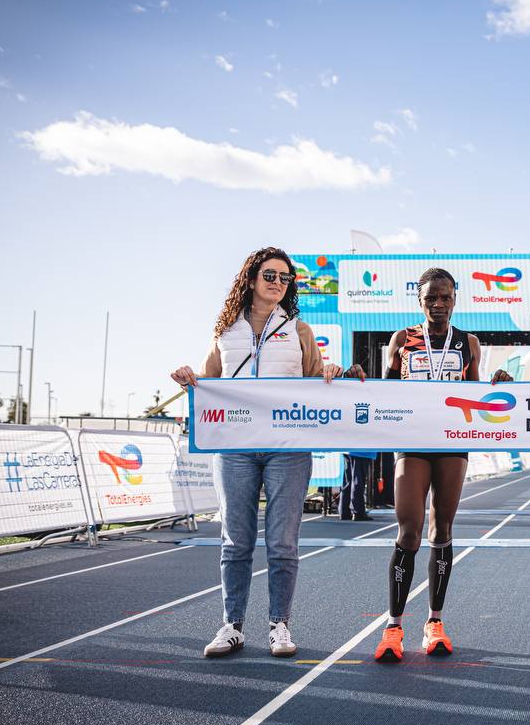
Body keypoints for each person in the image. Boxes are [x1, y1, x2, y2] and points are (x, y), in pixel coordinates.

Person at [171, 246, 355, 659]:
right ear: (251, 278)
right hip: (235, 449)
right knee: (235, 541)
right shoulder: (226, 330)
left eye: (285, 278)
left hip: (287, 450)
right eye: (270, 275)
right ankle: (232, 626)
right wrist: (188, 378)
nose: (277, 283)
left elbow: (315, 381)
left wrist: (329, 372)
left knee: (282, 542)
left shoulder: (300, 330)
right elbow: (208, 382)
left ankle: (279, 625)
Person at [373, 268, 510, 663]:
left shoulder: (468, 342)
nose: (438, 304)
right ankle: (394, 626)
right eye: (431, 297)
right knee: (409, 530)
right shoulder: (402, 339)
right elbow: (386, 389)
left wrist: (496, 386)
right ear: (420, 300)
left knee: (443, 529)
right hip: (412, 442)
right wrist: (358, 382)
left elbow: (475, 389)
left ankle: (434, 622)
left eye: (445, 297)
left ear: (455, 298)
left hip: (453, 442)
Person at [339, 452, 375, 521]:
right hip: (361, 449)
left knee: (348, 479)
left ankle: (344, 511)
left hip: (347, 447)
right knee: (358, 478)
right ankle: (358, 511)